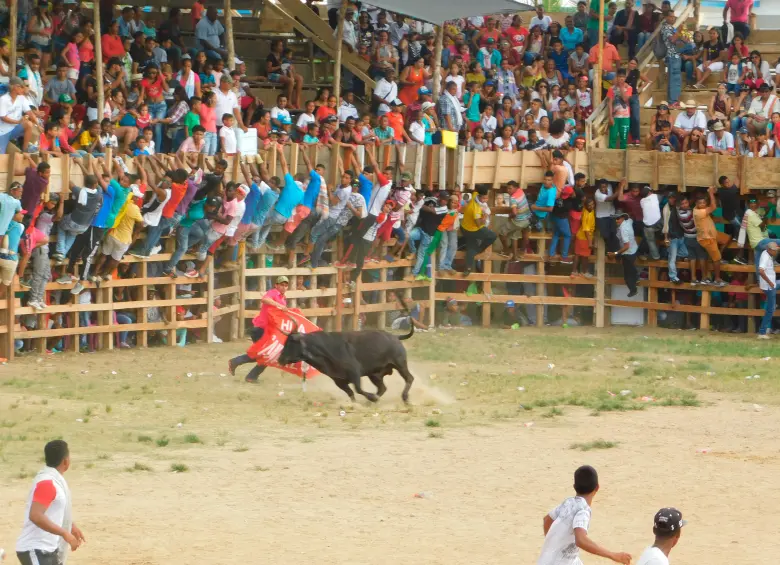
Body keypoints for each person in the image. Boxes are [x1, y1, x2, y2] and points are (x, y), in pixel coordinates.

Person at [538, 465, 631, 565]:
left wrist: (554, 544)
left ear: (574, 487)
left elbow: (547, 520)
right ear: (597, 487)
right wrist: (613, 555)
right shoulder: (583, 510)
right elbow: (581, 540)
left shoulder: (568, 503)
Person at [15, 440, 86, 565]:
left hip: (48, 549)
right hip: (35, 549)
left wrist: (70, 525)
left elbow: (54, 509)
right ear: (65, 461)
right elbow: (35, 515)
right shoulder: (47, 483)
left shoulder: (54, 480)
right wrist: (64, 533)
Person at [228, 276, 289, 382]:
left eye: (286, 285)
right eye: (282, 285)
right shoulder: (274, 293)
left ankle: (245, 371)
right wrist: (278, 305)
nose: (284, 287)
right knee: (265, 355)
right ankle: (247, 372)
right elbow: (264, 299)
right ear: (276, 285)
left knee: (265, 355)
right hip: (261, 329)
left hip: (267, 330)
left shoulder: (283, 299)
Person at [693, 186, 729, 287]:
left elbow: (708, 204)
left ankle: (718, 255)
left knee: (726, 238)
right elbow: (713, 207)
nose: (703, 205)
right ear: (696, 204)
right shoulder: (699, 212)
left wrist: (709, 194)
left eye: (704, 203)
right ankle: (717, 279)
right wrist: (711, 193)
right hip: (707, 239)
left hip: (713, 235)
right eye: (700, 203)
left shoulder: (697, 208)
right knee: (716, 260)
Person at [461, 186, 497, 277]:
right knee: (492, 236)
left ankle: (468, 268)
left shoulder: (475, 195)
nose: (486, 199)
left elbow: (475, 190)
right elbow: (479, 224)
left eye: (487, 197)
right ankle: (480, 249)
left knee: (471, 248)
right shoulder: (476, 208)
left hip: (465, 227)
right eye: (484, 198)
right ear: (480, 197)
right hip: (473, 230)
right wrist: (484, 216)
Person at [610, 212, 639, 297]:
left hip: (628, 253)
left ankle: (633, 290)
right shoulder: (628, 221)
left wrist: (615, 253)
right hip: (634, 249)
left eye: (618, 218)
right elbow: (630, 217)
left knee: (627, 276)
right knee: (631, 269)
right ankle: (636, 277)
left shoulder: (623, 230)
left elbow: (626, 246)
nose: (616, 220)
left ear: (622, 218)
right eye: (615, 219)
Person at [757, 241, 777, 339]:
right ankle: (762, 332)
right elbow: (761, 271)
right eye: (774, 251)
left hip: (772, 284)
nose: (776, 252)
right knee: (770, 309)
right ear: (769, 250)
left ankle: (763, 331)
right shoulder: (765, 257)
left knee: (770, 308)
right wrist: (769, 282)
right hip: (769, 286)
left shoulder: (767, 253)